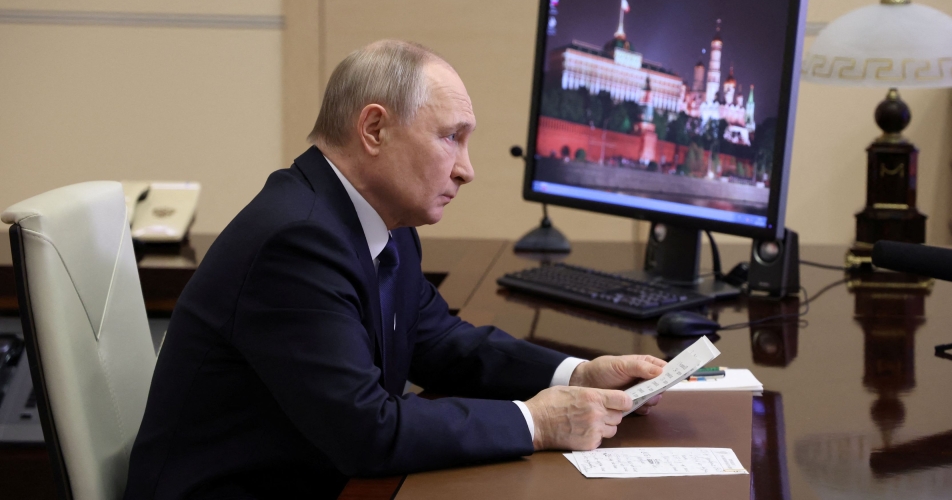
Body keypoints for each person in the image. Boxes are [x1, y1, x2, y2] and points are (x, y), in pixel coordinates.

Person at [124, 40, 667, 499]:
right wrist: (538, 422)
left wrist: (576, 374)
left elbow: (440, 342)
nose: (467, 170)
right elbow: (366, 431)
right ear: (375, 130)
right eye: (450, 137)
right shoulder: (296, 240)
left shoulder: (384, 223)